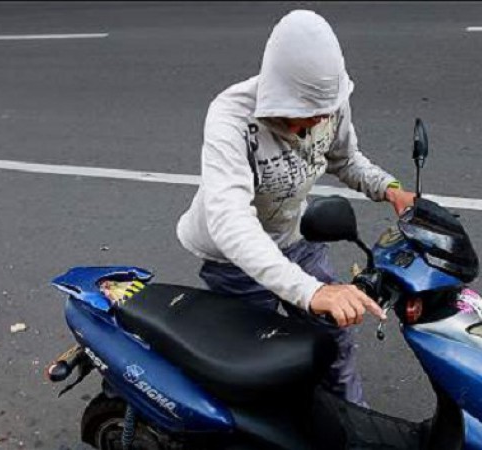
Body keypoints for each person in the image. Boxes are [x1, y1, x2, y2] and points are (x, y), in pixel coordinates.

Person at [175, 10, 415, 406]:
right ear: (277, 94)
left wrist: (390, 190)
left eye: (325, 110)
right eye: (307, 112)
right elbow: (231, 222)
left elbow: (345, 159)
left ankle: (350, 420)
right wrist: (312, 291)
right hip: (232, 261)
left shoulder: (331, 105)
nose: (320, 119)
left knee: (335, 339)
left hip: (296, 240)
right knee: (256, 362)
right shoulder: (231, 118)